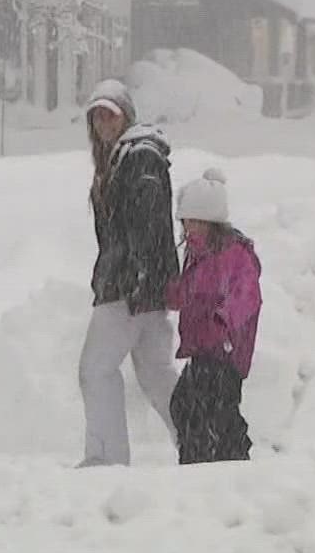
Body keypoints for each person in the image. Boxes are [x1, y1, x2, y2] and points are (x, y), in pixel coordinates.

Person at [78, 79, 180, 468]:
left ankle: (106, 458)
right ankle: (200, 441)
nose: (103, 122)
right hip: (141, 284)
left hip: (128, 286)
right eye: (97, 116)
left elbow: (147, 224)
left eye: (110, 114)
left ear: (126, 116)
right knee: (156, 373)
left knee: (95, 369)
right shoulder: (128, 156)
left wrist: (138, 276)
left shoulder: (137, 157)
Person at [166, 169, 261, 463]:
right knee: (186, 404)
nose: (190, 228)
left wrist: (223, 321)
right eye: (187, 222)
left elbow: (247, 295)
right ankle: (203, 459)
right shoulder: (198, 255)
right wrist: (165, 295)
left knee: (214, 408)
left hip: (225, 351)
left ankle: (224, 460)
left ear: (213, 223)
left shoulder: (234, 255)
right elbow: (187, 293)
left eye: (197, 222)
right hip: (202, 348)